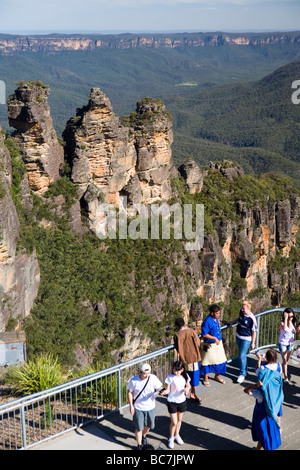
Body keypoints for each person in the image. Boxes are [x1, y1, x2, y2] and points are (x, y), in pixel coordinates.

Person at [244, 349, 284, 450]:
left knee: (264, 435)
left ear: (266, 358)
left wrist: (259, 359)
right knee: (268, 435)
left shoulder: (260, 393)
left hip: (262, 415)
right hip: (276, 400)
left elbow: (246, 390)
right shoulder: (279, 367)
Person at [127, 363, 162, 450]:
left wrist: (162, 391)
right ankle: (139, 445)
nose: (147, 375)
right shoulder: (134, 381)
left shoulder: (152, 378)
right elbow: (129, 392)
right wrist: (131, 406)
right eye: (144, 374)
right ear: (140, 372)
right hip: (138, 407)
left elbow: (159, 387)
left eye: (148, 373)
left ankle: (143, 436)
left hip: (150, 407)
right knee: (139, 427)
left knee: (149, 425)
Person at [160, 360, 191, 449]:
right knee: (174, 421)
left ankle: (177, 435)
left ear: (182, 370)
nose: (176, 372)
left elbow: (188, 385)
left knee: (179, 420)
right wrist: (165, 392)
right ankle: (171, 437)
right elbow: (168, 389)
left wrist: (187, 389)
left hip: (181, 401)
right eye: (174, 370)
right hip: (172, 401)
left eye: (178, 370)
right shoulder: (170, 377)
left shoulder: (185, 376)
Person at [227, 301, 258, 384]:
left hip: (246, 339)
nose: (242, 309)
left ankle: (242, 374)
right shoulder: (241, 313)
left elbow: (254, 331)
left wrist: (253, 343)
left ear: (248, 308)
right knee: (243, 355)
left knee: (241, 355)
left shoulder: (252, 318)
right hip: (238, 336)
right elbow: (239, 319)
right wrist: (232, 322)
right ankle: (245, 369)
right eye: (242, 308)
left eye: (243, 308)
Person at [174, 317, 202, 403]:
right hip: (194, 357)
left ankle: (184, 393)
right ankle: (193, 393)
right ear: (184, 324)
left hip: (184, 358)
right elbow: (198, 342)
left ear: (177, 326)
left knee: (184, 375)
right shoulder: (192, 331)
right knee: (194, 376)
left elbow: (177, 347)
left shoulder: (177, 335)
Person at [200, 304, 227, 386]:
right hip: (210, 344)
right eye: (217, 313)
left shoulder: (215, 320)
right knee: (206, 361)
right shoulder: (207, 321)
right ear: (212, 313)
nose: (218, 315)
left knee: (221, 359)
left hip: (218, 344)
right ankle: (205, 377)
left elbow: (216, 324)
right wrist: (214, 338)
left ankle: (217, 376)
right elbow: (204, 334)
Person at [278, 307, 300, 383]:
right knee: (285, 362)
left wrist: (297, 328)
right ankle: (286, 378)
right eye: (290, 316)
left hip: (290, 344)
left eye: (292, 316)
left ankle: (279, 367)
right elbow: (285, 329)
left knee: (286, 360)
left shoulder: (293, 322)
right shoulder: (282, 322)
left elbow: (294, 332)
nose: (291, 317)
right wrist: (286, 318)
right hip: (283, 343)